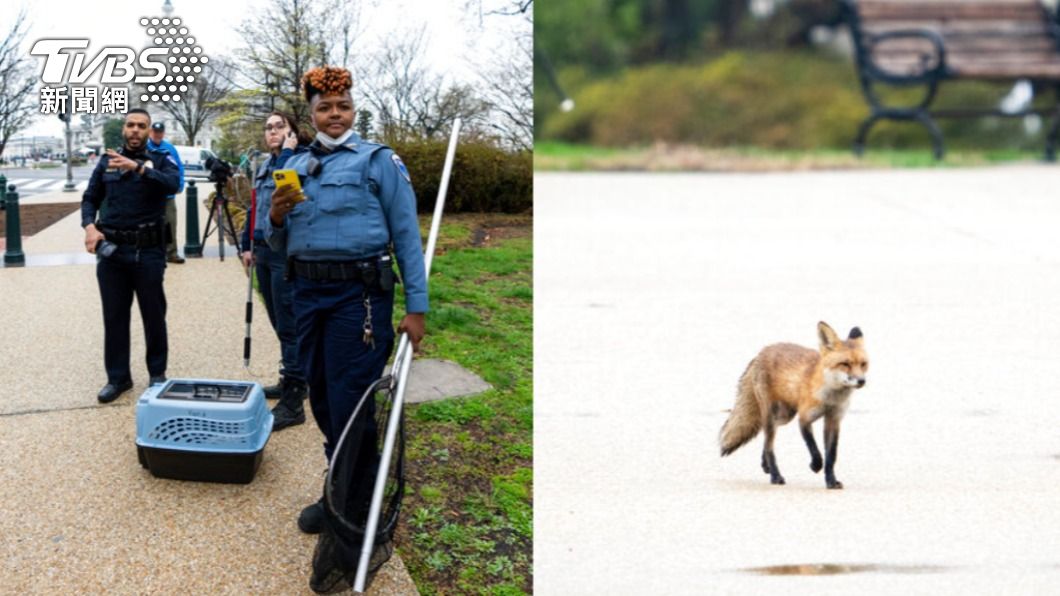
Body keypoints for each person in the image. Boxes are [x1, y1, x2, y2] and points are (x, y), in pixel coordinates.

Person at [264, 66, 427, 592]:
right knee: (323, 402)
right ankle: (339, 487)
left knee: (352, 400)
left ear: (354, 111)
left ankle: (355, 514)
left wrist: (416, 308)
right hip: (307, 294)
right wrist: (277, 215)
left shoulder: (379, 162)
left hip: (359, 297)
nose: (335, 115)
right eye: (324, 109)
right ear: (310, 117)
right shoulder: (293, 164)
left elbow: (406, 236)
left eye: (343, 107)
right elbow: (275, 245)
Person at [81, 108, 181, 403]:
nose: (135, 130)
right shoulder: (106, 162)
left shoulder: (162, 160)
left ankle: (157, 374)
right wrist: (89, 226)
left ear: (149, 131)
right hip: (111, 253)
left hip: (147, 251)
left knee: (153, 315)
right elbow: (90, 198)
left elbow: (173, 184)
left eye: (141, 126)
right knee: (114, 317)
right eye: (130, 125)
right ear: (124, 129)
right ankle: (118, 378)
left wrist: (138, 168)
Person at [239, 111, 309, 430]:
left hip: (286, 252)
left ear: (293, 131)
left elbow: (288, 191)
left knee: (290, 323)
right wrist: (246, 243)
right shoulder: (266, 164)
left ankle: (294, 400)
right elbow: (256, 206)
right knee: (278, 321)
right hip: (264, 251)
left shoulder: (300, 160)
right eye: (268, 128)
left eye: (280, 126)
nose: (272, 132)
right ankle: (290, 378)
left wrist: (291, 153)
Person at [145, 122, 186, 264]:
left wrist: (180, 184)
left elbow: (179, 166)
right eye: (155, 131)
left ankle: (172, 252)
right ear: (150, 132)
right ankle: (152, 253)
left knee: (170, 223)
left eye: (160, 132)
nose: (157, 134)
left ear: (163, 133)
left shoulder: (169, 148)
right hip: (149, 195)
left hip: (167, 195)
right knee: (149, 224)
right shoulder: (145, 147)